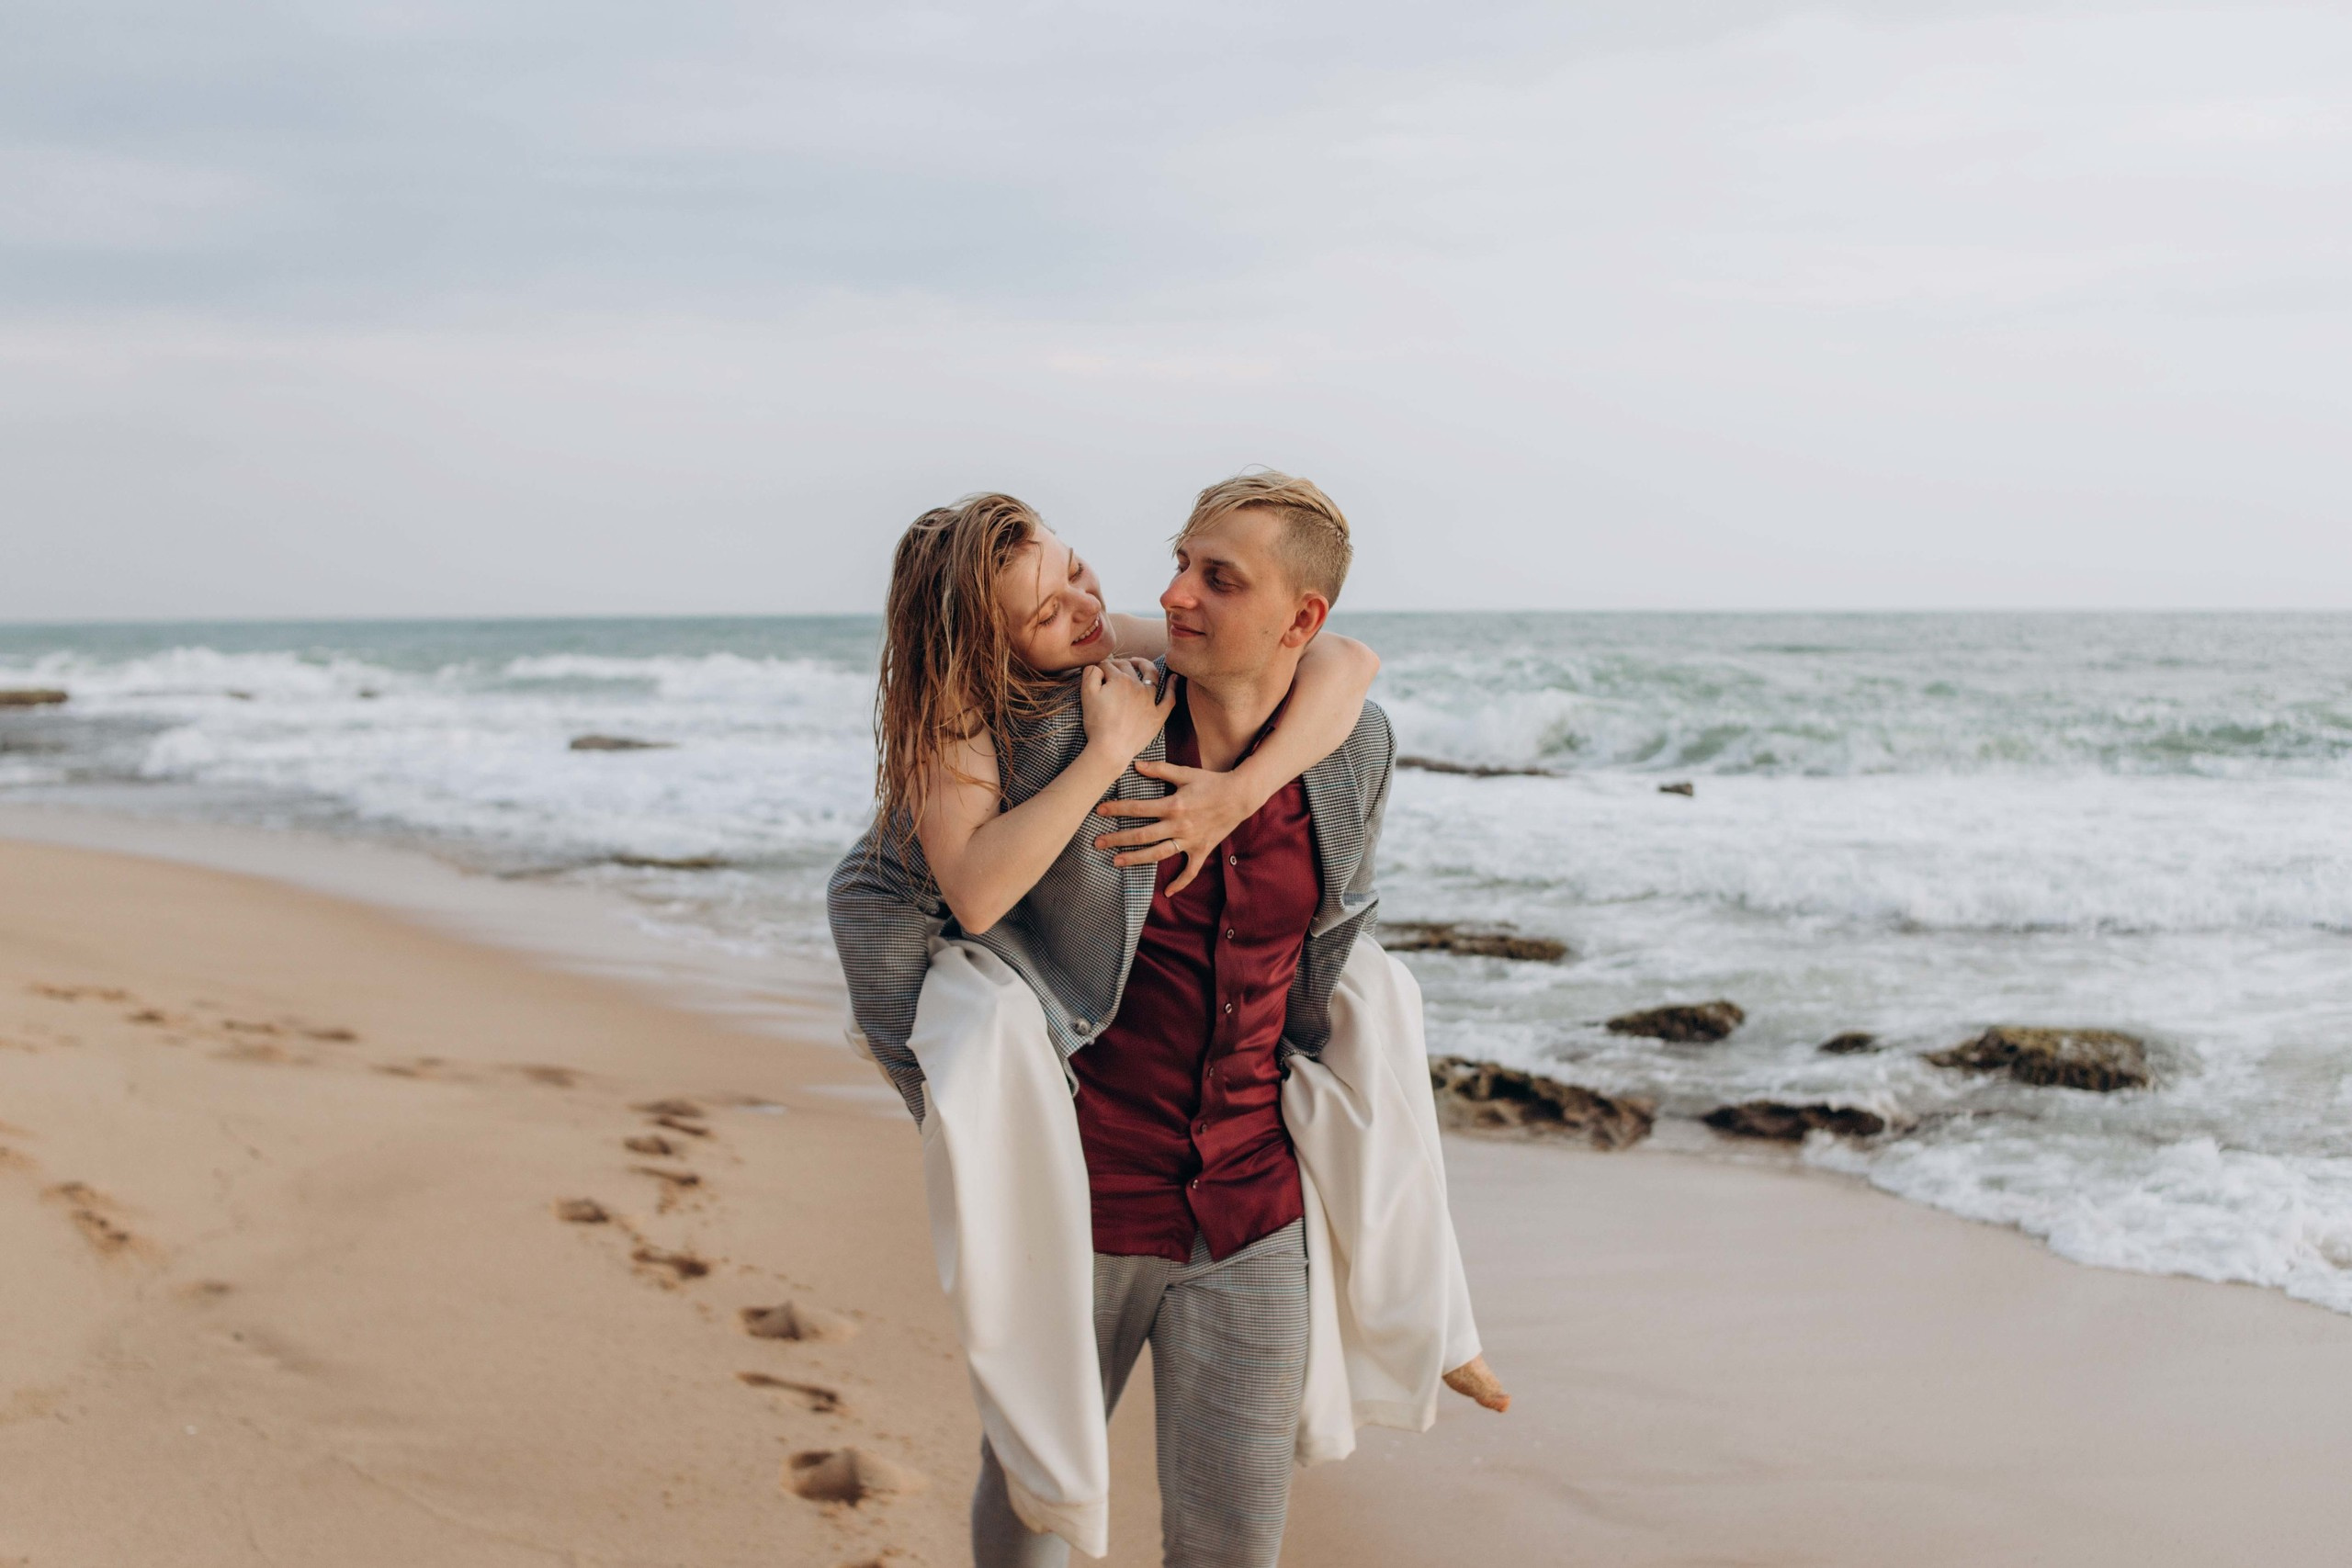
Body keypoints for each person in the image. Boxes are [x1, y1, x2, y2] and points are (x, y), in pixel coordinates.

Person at [830, 477, 1504, 1568]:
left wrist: (1236, 796)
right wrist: (952, 1107)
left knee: (1235, 1539)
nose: (1167, 594)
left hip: (1251, 1206)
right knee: (1038, 1501)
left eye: (1214, 577)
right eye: (1178, 563)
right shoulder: (1063, 730)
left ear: (1297, 617)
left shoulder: (1350, 753)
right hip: (1081, 1196)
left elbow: (1325, 928)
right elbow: (876, 894)